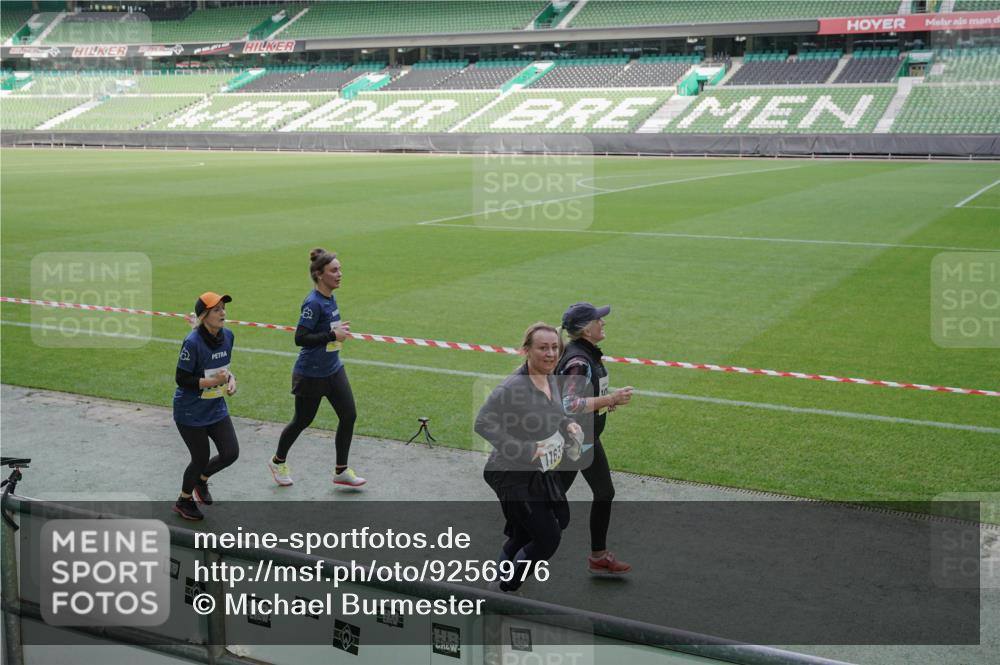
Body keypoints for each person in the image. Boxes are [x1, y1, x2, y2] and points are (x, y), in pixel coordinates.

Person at [475, 323, 583, 593]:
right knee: (548, 539)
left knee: (524, 533)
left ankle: (494, 586)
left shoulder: (551, 377)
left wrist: (568, 424)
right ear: (526, 350)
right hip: (510, 474)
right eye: (543, 347)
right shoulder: (512, 387)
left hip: (538, 471)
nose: (550, 353)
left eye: (555, 347)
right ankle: (505, 589)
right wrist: (525, 449)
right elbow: (483, 423)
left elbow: (555, 412)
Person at [267, 248, 364, 489]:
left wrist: (337, 330)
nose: (340, 274)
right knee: (302, 420)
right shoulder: (312, 303)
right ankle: (278, 462)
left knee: (349, 415)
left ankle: (341, 470)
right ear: (319, 275)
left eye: (340, 269)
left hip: (333, 368)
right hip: (311, 373)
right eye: (334, 270)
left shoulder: (330, 297)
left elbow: (325, 333)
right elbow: (300, 338)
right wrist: (333, 333)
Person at [556, 303, 634, 574]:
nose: (603, 323)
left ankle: (598, 557)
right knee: (551, 502)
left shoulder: (587, 354)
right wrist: (611, 399)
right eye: (599, 320)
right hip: (573, 442)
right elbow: (570, 404)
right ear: (586, 329)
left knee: (603, 492)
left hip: (586, 438)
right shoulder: (579, 360)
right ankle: (517, 551)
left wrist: (601, 402)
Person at [173, 292, 240, 521]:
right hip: (190, 411)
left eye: (223, 308)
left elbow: (224, 369)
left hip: (216, 407)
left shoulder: (228, 336)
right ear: (204, 316)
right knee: (200, 458)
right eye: (216, 310)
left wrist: (231, 381)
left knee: (231, 453)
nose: (223, 313)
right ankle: (184, 501)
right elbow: (182, 379)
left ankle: (201, 481)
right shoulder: (192, 342)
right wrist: (213, 382)